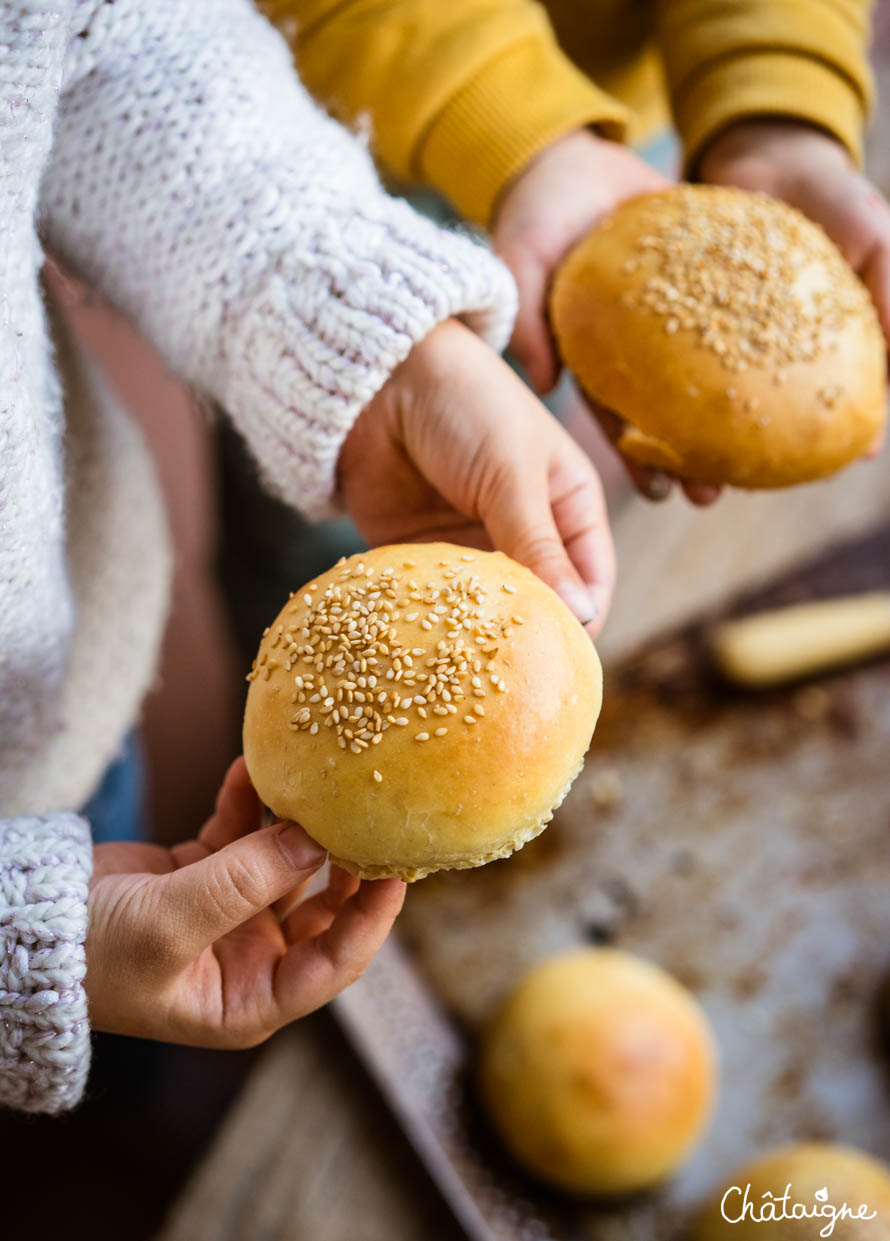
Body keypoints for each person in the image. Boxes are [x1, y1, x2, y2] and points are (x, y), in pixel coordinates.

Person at [0, 0, 614, 1114]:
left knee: (128, 900)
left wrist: (362, 330)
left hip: (62, 676)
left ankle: (137, 1086)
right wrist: (21, 959)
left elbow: (90, 34)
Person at [265, 0, 890, 499]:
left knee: (536, 409)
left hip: (616, 129)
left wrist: (777, 114)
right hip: (345, 128)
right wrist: (524, 139)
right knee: (338, 441)